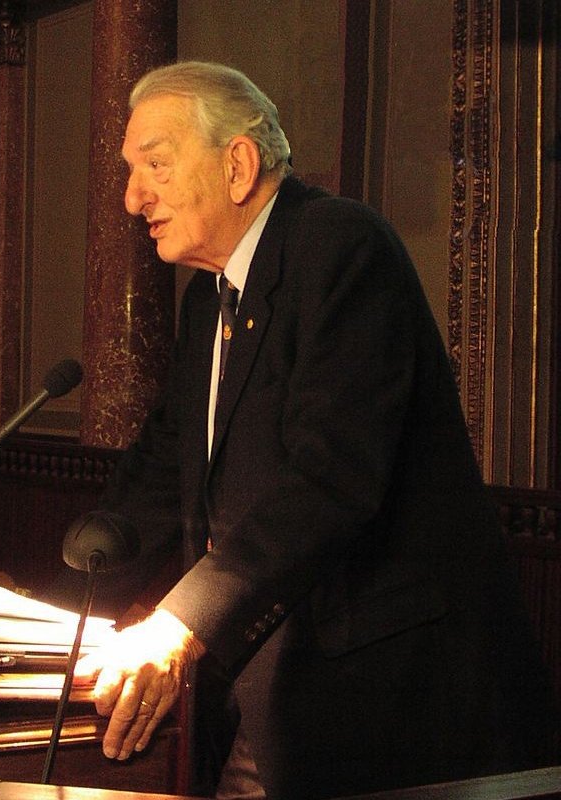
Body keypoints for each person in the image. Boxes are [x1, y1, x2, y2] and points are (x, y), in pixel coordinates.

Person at [73, 61, 556, 800]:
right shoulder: (208, 300)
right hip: (266, 690)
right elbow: (166, 459)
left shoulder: (340, 245)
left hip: (388, 708)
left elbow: (332, 480)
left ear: (237, 164)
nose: (133, 196)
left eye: (154, 165)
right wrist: (67, 584)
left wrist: (179, 625)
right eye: (131, 171)